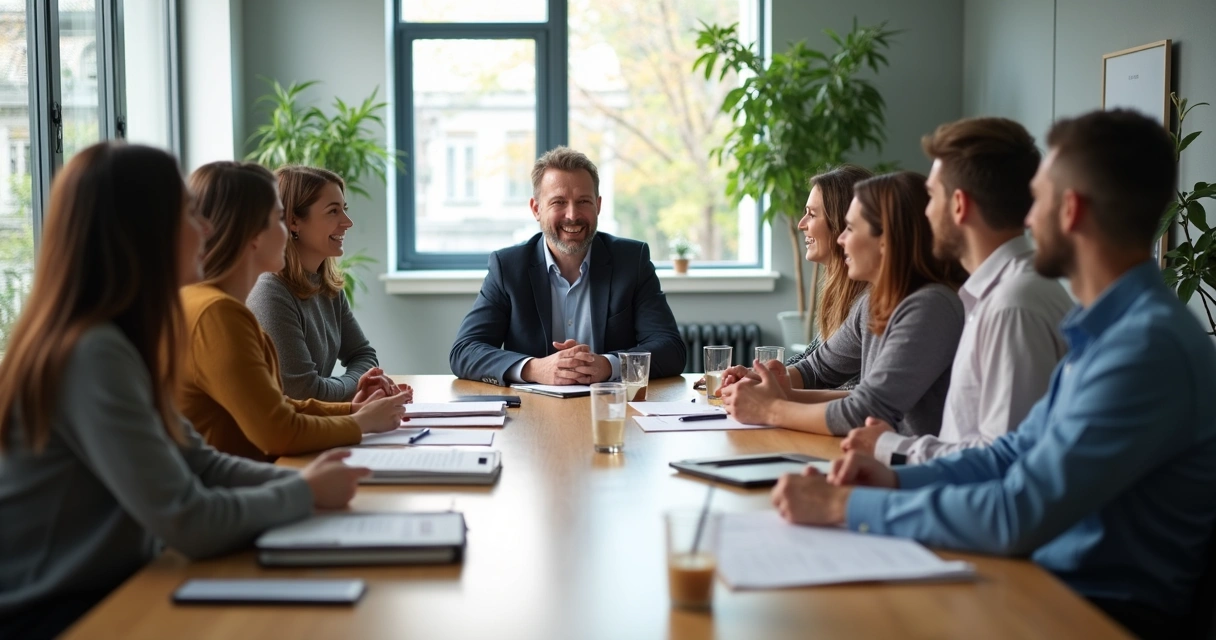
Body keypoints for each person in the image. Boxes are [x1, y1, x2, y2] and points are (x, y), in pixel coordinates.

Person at [771, 109, 1216, 640]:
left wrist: (850, 505)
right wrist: (893, 477)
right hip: (1046, 580)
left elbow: (1019, 509)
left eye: (1039, 197)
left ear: (1070, 210)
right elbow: (1010, 453)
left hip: (1092, 610)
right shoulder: (1105, 329)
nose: (1027, 215)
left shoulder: (1142, 346)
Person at [0, 143, 369, 640]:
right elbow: (188, 518)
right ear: (142, 231)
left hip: (111, 586)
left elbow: (199, 461)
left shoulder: (122, 337)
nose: (206, 229)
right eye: (190, 213)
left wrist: (302, 486)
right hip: (61, 614)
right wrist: (302, 492)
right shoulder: (91, 353)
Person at [840, 118, 1073, 464]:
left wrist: (892, 448)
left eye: (932, 196)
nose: (925, 211)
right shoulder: (996, 295)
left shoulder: (1012, 306)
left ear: (959, 205)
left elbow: (1002, 461)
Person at [178, 161, 410, 462]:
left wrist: (353, 409)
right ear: (251, 233)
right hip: (238, 484)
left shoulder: (218, 305)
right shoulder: (218, 313)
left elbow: (280, 405)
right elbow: (279, 429)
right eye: (278, 218)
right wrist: (360, 421)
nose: (286, 229)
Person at [722, 171, 966, 437]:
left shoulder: (930, 307)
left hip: (910, 470)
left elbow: (865, 410)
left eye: (850, 228)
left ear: (885, 240)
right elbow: (821, 369)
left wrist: (771, 408)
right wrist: (775, 390)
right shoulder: (875, 301)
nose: (841, 239)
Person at [449, 146, 685, 386]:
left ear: (598, 206)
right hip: (531, 415)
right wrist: (534, 368)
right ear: (536, 209)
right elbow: (465, 351)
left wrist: (607, 365)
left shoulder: (631, 260)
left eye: (583, 201)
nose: (572, 215)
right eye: (558, 202)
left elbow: (670, 348)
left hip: (611, 410)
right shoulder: (508, 267)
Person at [247, 165, 394, 402]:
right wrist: (360, 385)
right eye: (333, 211)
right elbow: (303, 393)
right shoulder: (270, 292)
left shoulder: (327, 285)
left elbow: (363, 354)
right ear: (294, 221)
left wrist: (354, 385)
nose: (347, 222)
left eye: (343, 209)